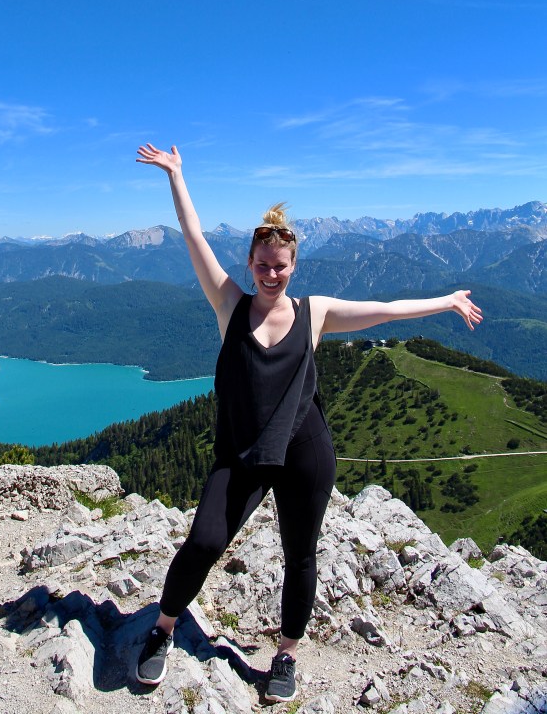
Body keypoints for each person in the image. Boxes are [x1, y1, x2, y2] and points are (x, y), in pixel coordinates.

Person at [134, 143, 483, 703]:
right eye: (263, 265)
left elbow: (387, 308)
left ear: (293, 267)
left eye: (281, 266)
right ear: (251, 265)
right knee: (202, 542)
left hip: (305, 452)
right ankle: (162, 628)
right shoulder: (229, 304)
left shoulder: (313, 313)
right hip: (243, 455)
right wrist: (176, 176)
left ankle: (286, 656)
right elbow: (194, 238)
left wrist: (446, 301)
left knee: (301, 555)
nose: (271, 274)